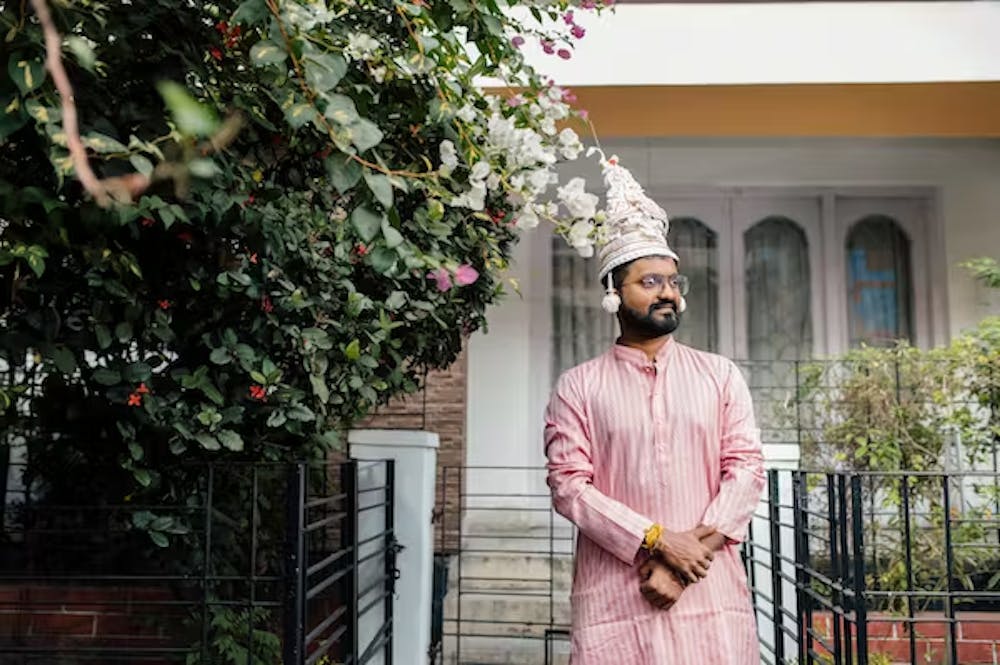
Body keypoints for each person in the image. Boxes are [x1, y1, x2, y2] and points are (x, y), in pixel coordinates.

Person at [544, 155, 766, 664]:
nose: (668, 292)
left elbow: (747, 471)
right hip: (618, 593)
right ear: (612, 294)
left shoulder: (719, 375)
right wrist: (657, 541)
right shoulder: (578, 387)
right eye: (650, 282)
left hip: (706, 589)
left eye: (673, 281)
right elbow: (569, 486)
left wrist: (681, 562)